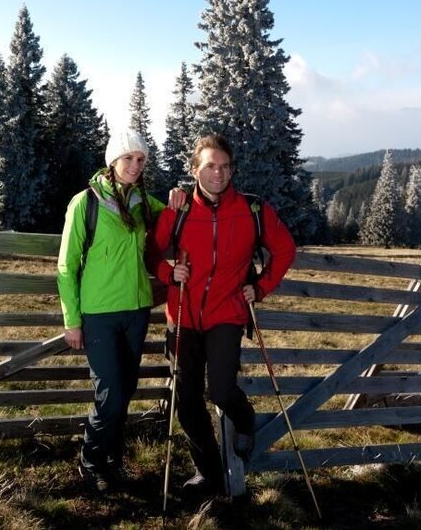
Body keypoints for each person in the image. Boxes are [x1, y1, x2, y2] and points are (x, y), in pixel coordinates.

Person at [146, 134, 297, 494]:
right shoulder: (179, 209)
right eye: (211, 165)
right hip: (182, 315)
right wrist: (169, 274)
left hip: (226, 315)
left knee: (222, 390)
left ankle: (246, 421)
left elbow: (285, 249)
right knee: (187, 400)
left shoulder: (252, 210)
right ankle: (209, 472)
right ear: (195, 169)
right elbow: (150, 252)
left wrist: (259, 287)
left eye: (225, 166)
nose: (219, 173)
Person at [56, 128, 166, 492]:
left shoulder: (143, 202)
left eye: (141, 159)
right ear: (112, 161)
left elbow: (178, 222)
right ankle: (91, 463)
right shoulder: (84, 203)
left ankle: (112, 463)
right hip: (99, 314)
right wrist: (72, 320)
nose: (135, 165)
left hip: (136, 310)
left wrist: (183, 199)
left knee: (127, 388)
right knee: (111, 393)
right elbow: (67, 266)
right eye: (128, 158)